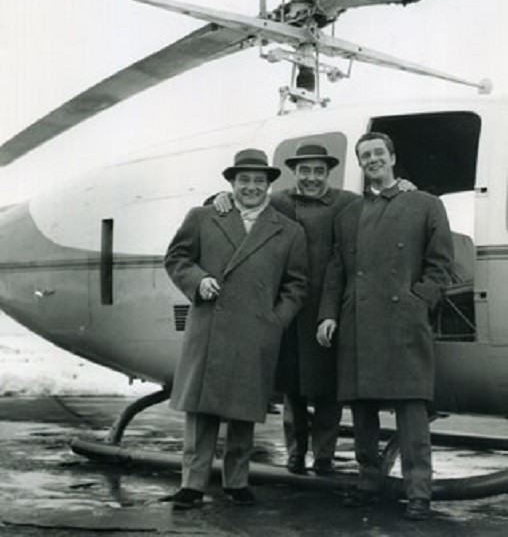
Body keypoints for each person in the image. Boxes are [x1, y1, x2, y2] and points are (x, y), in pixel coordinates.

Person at [212, 140, 414, 476]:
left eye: (319, 171)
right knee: (291, 387)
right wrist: (220, 198)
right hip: (289, 305)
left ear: (329, 174)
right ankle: (295, 452)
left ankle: (324, 455)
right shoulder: (277, 202)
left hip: (328, 308)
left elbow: (384, 203)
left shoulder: (347, 202)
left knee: (328, 389)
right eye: (304, 171)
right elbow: (243, 203)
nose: (311, 178)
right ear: (294, 173)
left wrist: (404, 188)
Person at [317, 131, 453, 520]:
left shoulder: (426, 205)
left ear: (392, 157)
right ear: (359, 164)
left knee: (412, 412)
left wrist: (418, 302)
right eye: (365, 156)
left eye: (379, 153)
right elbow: (336, 270)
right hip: (357, 321)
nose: (372, 160)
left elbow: (441, 264)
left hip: (403, 322)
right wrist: (328, 314)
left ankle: (419, 493)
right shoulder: (348, 215)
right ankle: (368, 482)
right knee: (362, 412)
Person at [164, 148, 307, 509]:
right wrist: (197, 281)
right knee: (202, 412)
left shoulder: (288, 231)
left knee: (244, 410)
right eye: (244, 180)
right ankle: (192, 484)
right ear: (231, 183)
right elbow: (177, 258)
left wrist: (275, 321)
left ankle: (237, 481)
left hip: (256, 330)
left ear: (269, 186)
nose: (251, 187)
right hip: (210, 326)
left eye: (259, 181)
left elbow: (297, 285)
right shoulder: (202, 217)